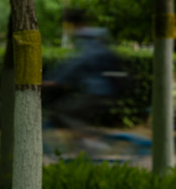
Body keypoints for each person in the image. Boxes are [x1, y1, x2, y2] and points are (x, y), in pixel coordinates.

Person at [43, 8, 121, 151]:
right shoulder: (97, 36)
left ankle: (91, 141)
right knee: (76, 114)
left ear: (74, 24)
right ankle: (85, 143)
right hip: (105, 88)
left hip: (98, 89)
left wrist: (55, 80)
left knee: (65, 113)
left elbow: (79, 62)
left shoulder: (88, 38)